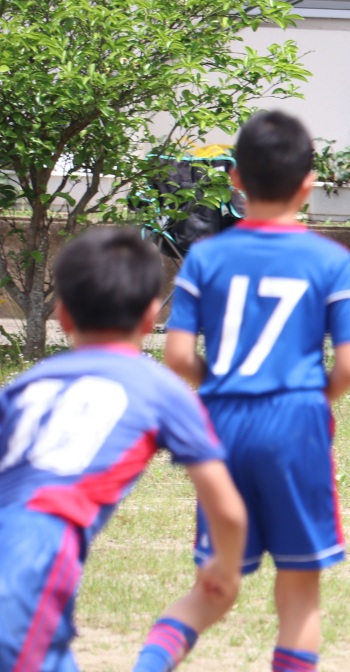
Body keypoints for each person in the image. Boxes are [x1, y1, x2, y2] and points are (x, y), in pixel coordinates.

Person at [135, 110, 350, 672]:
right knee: (299, 592)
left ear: (235, 179)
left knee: (214, 587)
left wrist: (223, 387)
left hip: (222, 429)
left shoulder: (206, 257)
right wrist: (306, 399)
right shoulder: (330, 260)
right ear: (309, 184)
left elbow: (177, 355)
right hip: (297, 426)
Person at [0, 227, 246, 671]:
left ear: (63, 314)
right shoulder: (159, 389)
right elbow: (227, 510)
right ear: (151, 316)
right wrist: (223, 573)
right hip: (33, 555)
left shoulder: (27, 384)